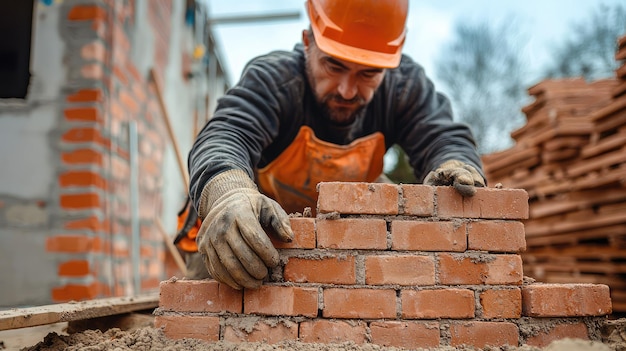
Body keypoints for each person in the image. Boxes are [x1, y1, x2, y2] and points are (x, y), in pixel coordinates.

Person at [176, 0, 486, 290]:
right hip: (254, 232)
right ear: (308, 42)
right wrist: (227, 192)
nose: (348, 91)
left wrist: (454, 163)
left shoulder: (404, 89)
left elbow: (443, 137)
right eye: (334, 67)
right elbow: (225, 136)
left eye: (368, 73)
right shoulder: (274, 80)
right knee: (221, 276)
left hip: (342, 236)